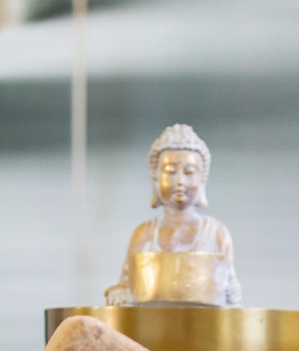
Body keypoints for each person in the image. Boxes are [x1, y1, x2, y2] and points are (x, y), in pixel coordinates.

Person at [104, 124, 242, 306]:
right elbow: (125, 285)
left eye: (189, 172)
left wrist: (230, 291)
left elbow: (232, 292)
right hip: (151, 321)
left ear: (202, 178)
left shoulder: (216, 233)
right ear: (155, 177)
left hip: (203, 321)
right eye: (170, 172)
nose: (179, 181)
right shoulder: (144, 233)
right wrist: (119, 293)